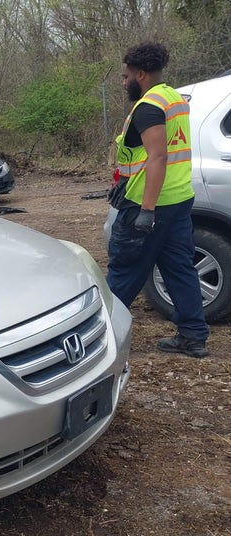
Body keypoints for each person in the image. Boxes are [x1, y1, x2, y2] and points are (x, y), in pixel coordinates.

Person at [107, 42, 209, 358]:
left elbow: (158, 156)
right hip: (178, 199)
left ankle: (101, 339)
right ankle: (193, 336)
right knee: (179, 268)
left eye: (125, 76)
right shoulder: (173, 97)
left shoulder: (149, 106)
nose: (123, 82)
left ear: (141, 74)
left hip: (147, 204)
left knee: (124, 271)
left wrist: (147, 210)